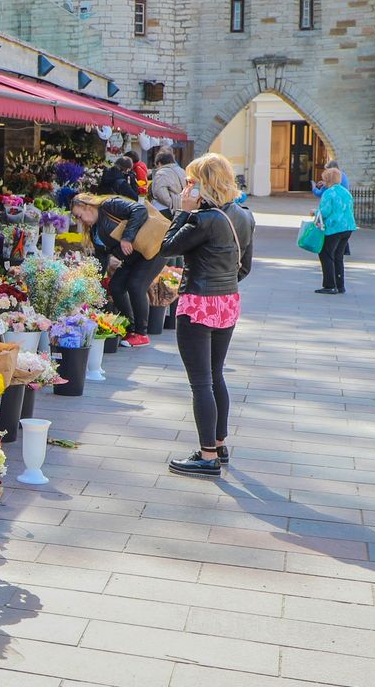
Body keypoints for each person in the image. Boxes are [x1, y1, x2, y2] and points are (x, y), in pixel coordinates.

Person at [157, 153, 255, 477]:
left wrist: (182, 212)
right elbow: (245, 267)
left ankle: (207, 455)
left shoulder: (202, 220)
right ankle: (219, 443)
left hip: (199, 303)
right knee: (216, 375)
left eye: (191, 182)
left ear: (205, 183)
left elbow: (167, 247)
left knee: (201, 382)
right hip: (227, 301)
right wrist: (223, 284)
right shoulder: (244, 215)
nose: (187, 188)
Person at [71, 192, 158, 346]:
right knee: (116, 286)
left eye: (79, 216)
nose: (80, 221)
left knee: (136, 286)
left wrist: (127, 237)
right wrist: (93, 283)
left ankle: (141, 333)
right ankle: (129, 329)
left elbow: (139, 210)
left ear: (87, 206)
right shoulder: (94, 230)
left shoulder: (109, 205)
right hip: (133, 257)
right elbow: (102, 258)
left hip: (151, 250)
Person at [312, 162, 356, 294]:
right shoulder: (346, 192)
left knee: (326, 254)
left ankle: (330, 285)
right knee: (338, 256)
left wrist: (314, 212)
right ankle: (340, 285)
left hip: (334, 227)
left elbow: (325, 211)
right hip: (348, 227)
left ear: (327, 180)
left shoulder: (329, 193)